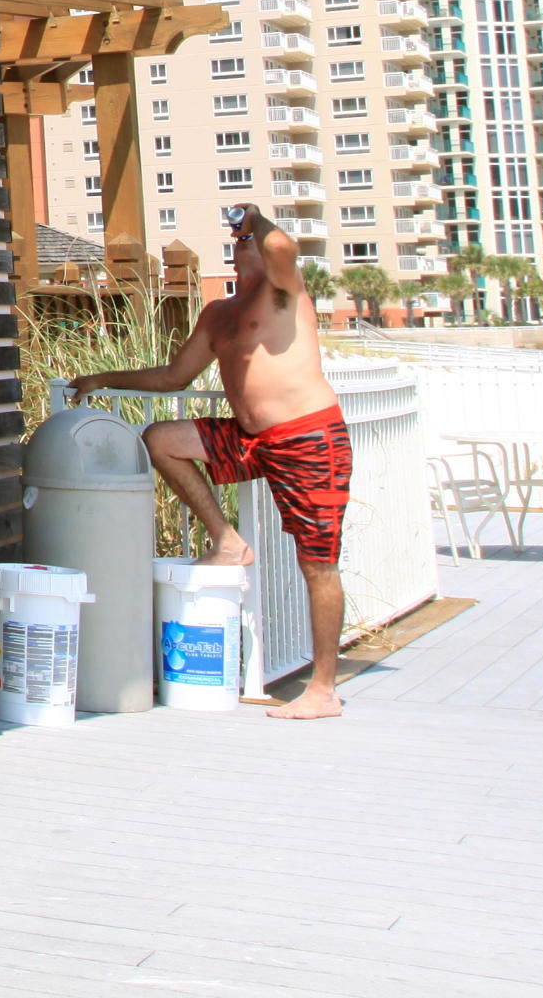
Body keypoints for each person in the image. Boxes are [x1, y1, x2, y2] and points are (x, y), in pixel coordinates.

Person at [70, 203, 351, 720]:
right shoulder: (218, 314)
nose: (244, 244)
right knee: (160, 438)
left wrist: (258, 218)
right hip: (249, 439)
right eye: (239, 240)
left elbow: (285, 248)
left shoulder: (284, 291)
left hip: (309, 437)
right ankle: (227, 541)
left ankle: (324, 689)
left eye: (249, 240)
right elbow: (175, 376)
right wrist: (103, 378)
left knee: (317, 563)